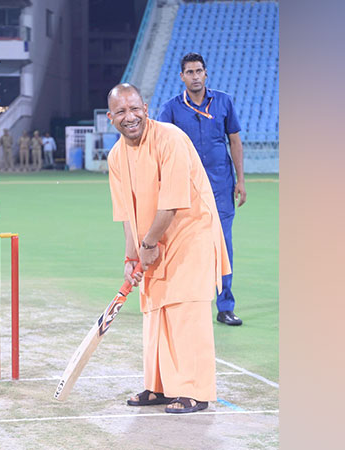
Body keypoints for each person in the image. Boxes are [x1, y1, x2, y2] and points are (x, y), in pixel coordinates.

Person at [106, 83, 230, 413]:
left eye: (134, 109)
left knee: (185, 308)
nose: (129, 117)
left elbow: (172, 202)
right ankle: (159, 387)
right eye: (121, 112)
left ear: (145, 108)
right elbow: (127, 215)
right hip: (154, 240)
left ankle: (195, 391)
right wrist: (132, 256)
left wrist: (148, 245)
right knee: (155, 308)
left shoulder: (170, 138)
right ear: (110, 118)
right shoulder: (116, 156)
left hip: (191, 232)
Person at [157, 52, 246, 326]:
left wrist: (240, 180)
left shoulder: (224, 102)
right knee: (183, 247)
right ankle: (184, 305)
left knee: (223, 248)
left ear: (206, 74)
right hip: (187, 191)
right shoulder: (171, 109)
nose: (195, 76)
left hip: (221, 188)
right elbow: (161, 148)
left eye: (199, 71)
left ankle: (225, 307)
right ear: (182, 77)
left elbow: (235, 142)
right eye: (190, 72)